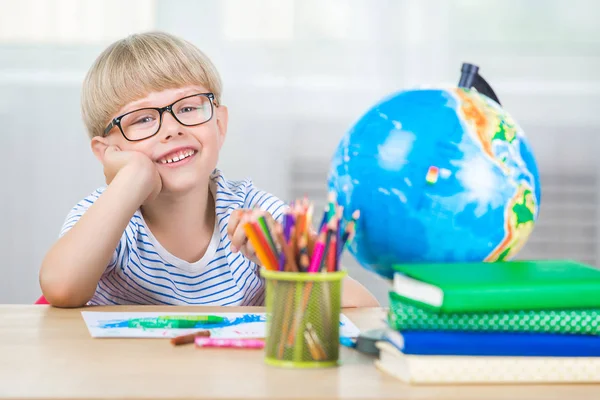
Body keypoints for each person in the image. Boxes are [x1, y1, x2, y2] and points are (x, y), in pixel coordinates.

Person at [39, 31, 379, 308]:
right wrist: (131, 179)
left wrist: (285, 262)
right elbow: (61, 288)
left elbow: (363, 308)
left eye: (188, 107)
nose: (171, 128)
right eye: (143, 118)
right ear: (108, 152)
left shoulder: (256, 213)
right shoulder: (104, 216)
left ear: (219, 123)